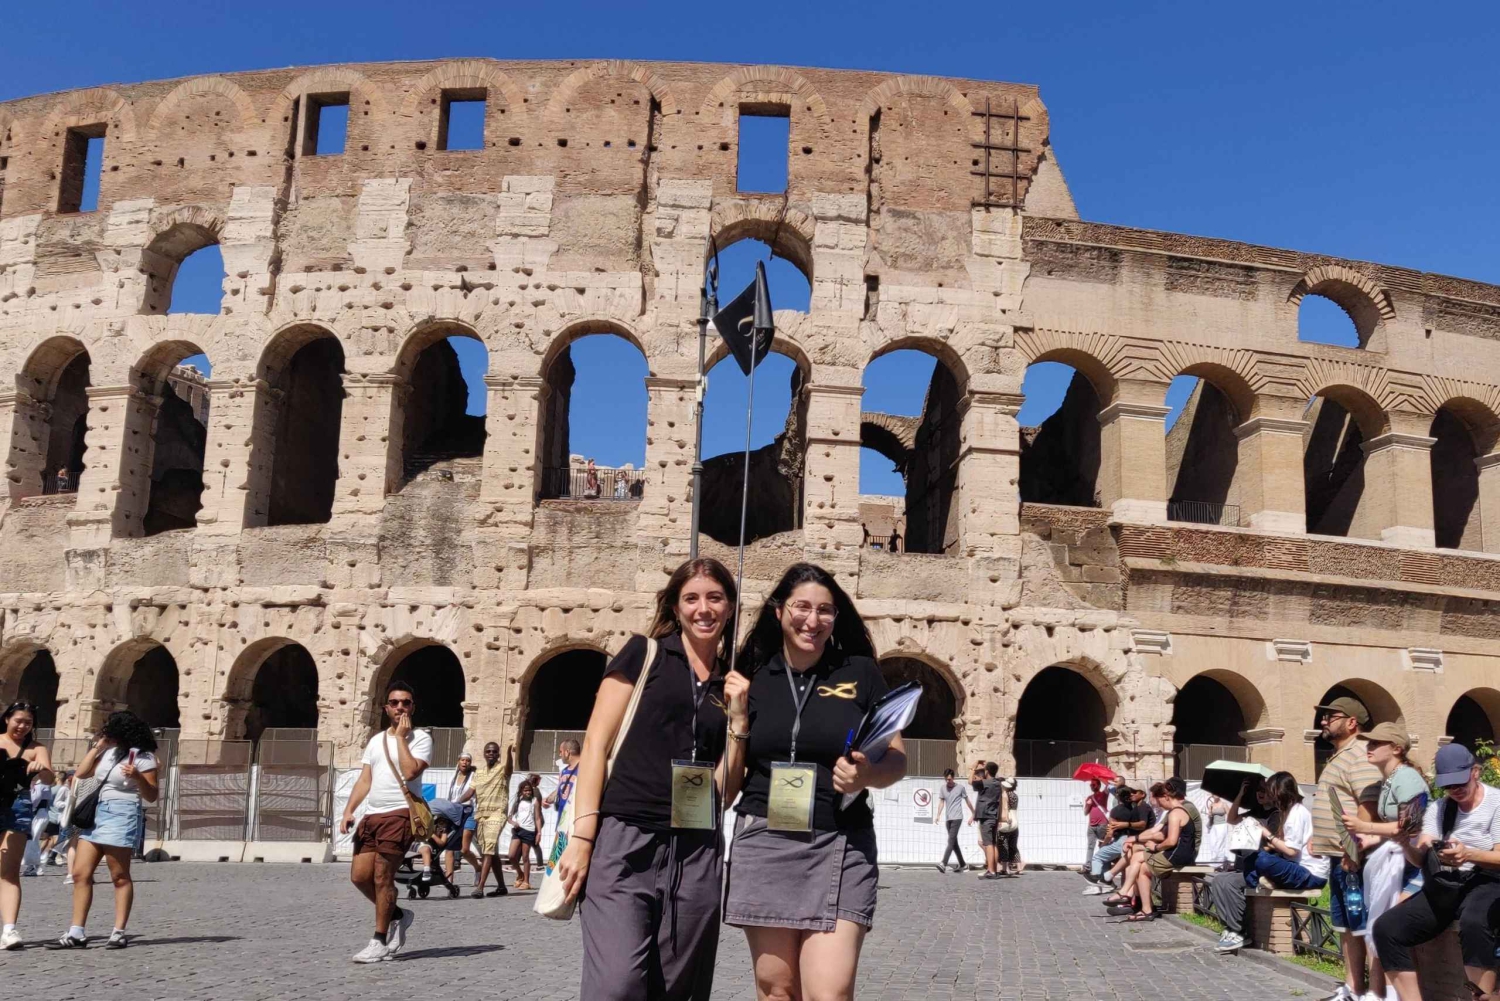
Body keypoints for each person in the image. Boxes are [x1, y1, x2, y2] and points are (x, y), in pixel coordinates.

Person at [555, 557, 749, 1001]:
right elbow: (597, 745)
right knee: (616, 986)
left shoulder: (732, 683)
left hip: (697, 847)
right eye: (692, 598)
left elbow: (726, 790)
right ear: (676, 606)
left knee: (678, 990)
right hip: (625, 840)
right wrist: (583, 840)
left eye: (715, 598)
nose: (704, 608)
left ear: (731, 607)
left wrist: (739, 720)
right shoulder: (645, 654)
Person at [723, 562, 907, 1001]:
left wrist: (866, 775)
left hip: (841, 838)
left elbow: (897, 759)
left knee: (830, 989)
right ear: (778, 612)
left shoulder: (860, 672)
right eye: (802, 607)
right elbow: (729, 780)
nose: (813, 620)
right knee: (777, 988)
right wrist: (737, 721)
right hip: (765, 838)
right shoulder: (750, 675)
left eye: (825, 610)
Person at [1373, 743, 1500, 1001]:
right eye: (1448, 785)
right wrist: (1405, 844)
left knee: (1475, 922)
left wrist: (1469, 854)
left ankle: (1482, 997)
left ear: (1475, 772)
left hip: (1487, 880)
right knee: (1386, 928)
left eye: (1460, 782)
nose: (1455, 790)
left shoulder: (1496, 802)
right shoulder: (1439, 808)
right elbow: (1422, 859)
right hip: (1446, 885)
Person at [337, 680, 431, 964]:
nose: (400, 707)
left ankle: (379, 940)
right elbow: (366, 778)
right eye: (395, 703)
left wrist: (402, 738)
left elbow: (412, 772)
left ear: (413, 707)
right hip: (373, 816)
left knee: (382, 876)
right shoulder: (376, 740)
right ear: (386, 707)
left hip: (401, 814)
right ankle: (399, 914)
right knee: (359, 877)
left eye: (406, 702)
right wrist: (349, 809)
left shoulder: (422, 738)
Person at [47, 711, 155, 951]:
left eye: (111, 730)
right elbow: (82, 773)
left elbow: (152, 794)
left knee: (119, 875)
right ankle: (77, 932)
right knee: (80, 874)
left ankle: (118, 932)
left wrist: (138, 777)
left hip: (122, 812)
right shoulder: (108, 753)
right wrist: (98, 748)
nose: (107, 733)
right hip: (97, 814)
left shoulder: (144, 757)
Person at [1343, 722, 1428, 1001]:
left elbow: (1410, 827)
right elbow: (1395, 829)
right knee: (1380, 926)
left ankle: (1394, 995)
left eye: (1376, 743)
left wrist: (1364, 828)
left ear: (1396, 748)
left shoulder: (1408, 778)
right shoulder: (1392, 778)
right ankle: (1383, 993)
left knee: (1388, 928)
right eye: (1368, 742)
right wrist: (1372, 840)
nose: (1369, 747)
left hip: (1410, 865)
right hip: (1395, 859)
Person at [1311, 696, 1383, 1001]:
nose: (1324, 721)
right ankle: (1352, 987)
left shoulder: (1358, 754)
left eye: (1331, 716)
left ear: (1352, 722)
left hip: (1355, 857)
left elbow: (1368, 803)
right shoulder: (1340, 754)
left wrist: (1354, 850)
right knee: (1344, 924)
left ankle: (1373, 992)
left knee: (1362, 923)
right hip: (1337, 855)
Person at [1209, 771, 1327, 953]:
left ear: (1280, 792)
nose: (1267, 795)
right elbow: (1232, 819)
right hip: (1288, 866)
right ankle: (1234, 931)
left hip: (1307, 872)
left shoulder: (1295, 813)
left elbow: (1290, 850)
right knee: (1220, 880)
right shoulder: (1284, 812)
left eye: (1270, 791)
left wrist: (1266, 834)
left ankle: (1261, 883)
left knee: (1260, 858)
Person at [1104, 778, 1200, 921]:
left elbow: (1171, 840)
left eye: (1158, 800)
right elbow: (1161, 833)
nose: (1159, 805)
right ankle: (1144, 908)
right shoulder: (1175, 811)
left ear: (1166, 797)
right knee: (1141, 866)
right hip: (1176, 852)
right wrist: (1138, 840)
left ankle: (1126, 893)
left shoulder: (1176, 813)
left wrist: (1155, 847)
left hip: (1177, 855)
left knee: (1138, 859)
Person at [1, 701, 53, 949]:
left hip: (19, 805)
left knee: (9, 871)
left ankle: (10, 929)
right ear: (7, 719)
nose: (22, 726)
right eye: (18, 720)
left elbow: (50, 778)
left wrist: (40, 768)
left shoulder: (36, 748)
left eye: (28, 722)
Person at [1082, 786, 1151, 894]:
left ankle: (1096, 884)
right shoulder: (1135, 808)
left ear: (1118, 797)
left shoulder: (1116, 811)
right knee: (1120, 863)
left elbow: (1110, 832)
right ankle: (1110, 884)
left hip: (1122, 839)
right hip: (1133, 839)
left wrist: (1104, 844)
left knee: (1098, 857)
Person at [470, 741, 510, 898]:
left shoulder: (502, 770)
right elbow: (470, 792)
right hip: (481, 814)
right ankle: (501, 887)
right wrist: (454, 803)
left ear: (498, 754)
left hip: (497, 814)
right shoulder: (478, 773)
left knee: (488, 850)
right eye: (488, 751)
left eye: (494, 751)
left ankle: (480, 887)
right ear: (484, 753)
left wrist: (509, 753)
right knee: (492, 852)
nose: (491, 754)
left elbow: (509, 769)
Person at [443, 752, 481, 883]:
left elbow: (471, 793)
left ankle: (477, 868)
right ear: (458, 761)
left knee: (464, 849)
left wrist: (459, 801)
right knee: (449, 847)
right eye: (462, 760)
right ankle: (449, 880)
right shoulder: (453, 776)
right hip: (453, 811)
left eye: (467, 761)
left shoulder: (474, 777)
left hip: (468, 811)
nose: (465, 762)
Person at [505, 779, 541, 890]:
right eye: (525, 790)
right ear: (521, 791)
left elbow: (538, 818)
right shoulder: (518, 801)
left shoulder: (534, 801)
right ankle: (520, 874)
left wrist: (539, 832)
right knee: (511, 855)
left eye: (529, 790)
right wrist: (513, 823)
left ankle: (526, 881)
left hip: (529, 831)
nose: (528, 792)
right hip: (518, 830)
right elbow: (509, 817)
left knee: (525, 857)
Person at [935, 768, 973, 873]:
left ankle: (943, 863)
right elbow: (941, 802)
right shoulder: (943, 788)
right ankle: (963, 865)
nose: (948, 781)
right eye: (946, 779)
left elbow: (967, 801)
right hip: (948, 818)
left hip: (957, 818)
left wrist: (974, 812)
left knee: (950, 841)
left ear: (953, 778)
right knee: (954, 842)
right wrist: (938, 815)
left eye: (949, 779)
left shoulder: (960, 788)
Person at [974, 762, 1004, 879]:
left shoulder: (985, 783)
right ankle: (994, 870)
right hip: (993, 816)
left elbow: (971, 782)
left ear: (986, 771)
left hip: (986, 816)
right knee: (993, 843)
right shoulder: (997, 783)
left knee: (988, 844)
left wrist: (973, 768)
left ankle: (991, 871)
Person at [543, 738, 580, 826]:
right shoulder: (564, 771)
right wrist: (547, 799)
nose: (560, 755)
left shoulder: (585, 768)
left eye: (561, 751)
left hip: (575, 822)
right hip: (562, 821)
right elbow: (559, 789)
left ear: (567, 752)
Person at [996, 775, 1021, 876]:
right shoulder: (1015, 795)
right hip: (1015, 822)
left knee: (1003, 845)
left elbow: (1004, 809)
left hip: (1006, 822)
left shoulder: (1004, 795)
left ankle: (1005, 869)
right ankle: (1018, 867)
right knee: (1013, 846)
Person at [1085, 778, 1111, 869]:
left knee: (1102, 845)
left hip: (1102, 824)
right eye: (1091, 785)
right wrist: (1088, 805)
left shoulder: (1103, 795)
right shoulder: (1089, 798)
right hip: (1091, 825)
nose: (1092, 786)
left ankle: (1103, 865)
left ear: (1099, 785)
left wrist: (1105, 779)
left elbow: (1108, 787)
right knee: (1090, 846)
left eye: (1094, 785)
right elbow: (1085, 813)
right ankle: (1088, 865)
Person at [525, 771, 547, 871]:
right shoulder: (534, 791)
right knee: (534, 843)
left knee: (532, 842)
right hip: (534, 820)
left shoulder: (535, 792)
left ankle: (539, 864)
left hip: (535, 820)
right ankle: (540, 864)